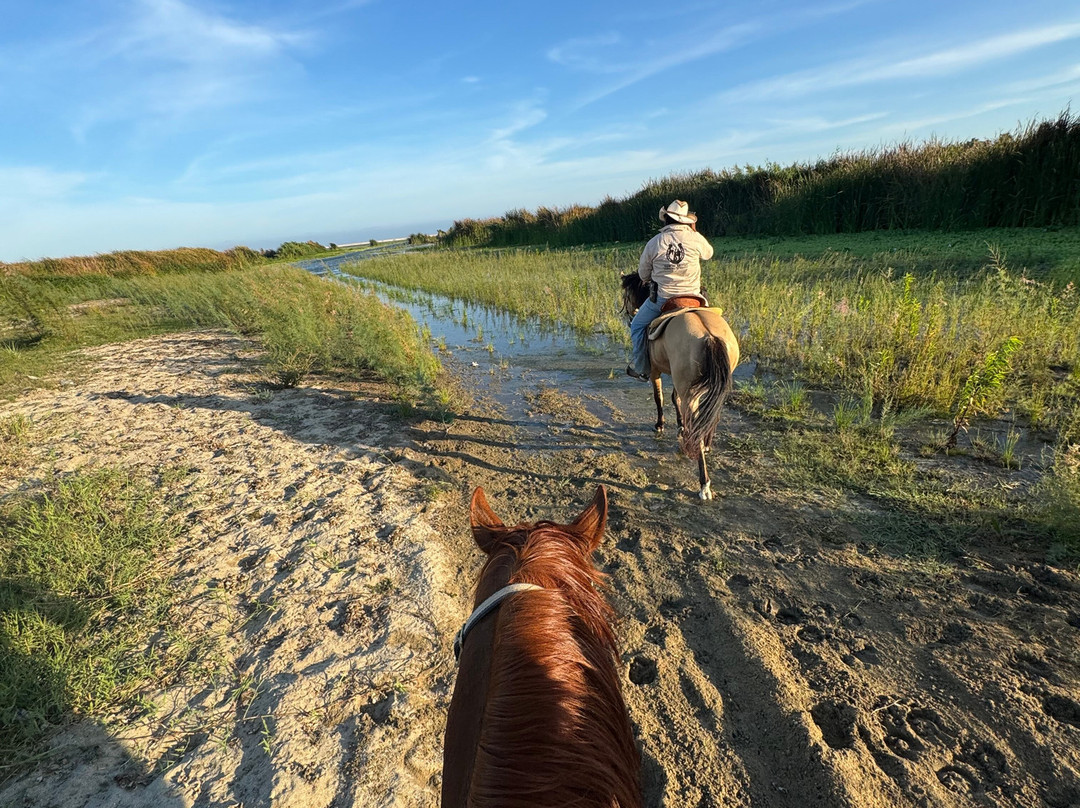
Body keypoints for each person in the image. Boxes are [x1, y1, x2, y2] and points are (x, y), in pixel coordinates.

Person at [626, 199, 714, 381]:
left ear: (666, 218)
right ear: (686, 220)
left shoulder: (655, 242)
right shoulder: (696, 238)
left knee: (637, 326)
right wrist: (694, 231)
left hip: (663, 299)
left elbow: (643, 275)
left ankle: (642, 369)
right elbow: (709, 254)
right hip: (694, 297)